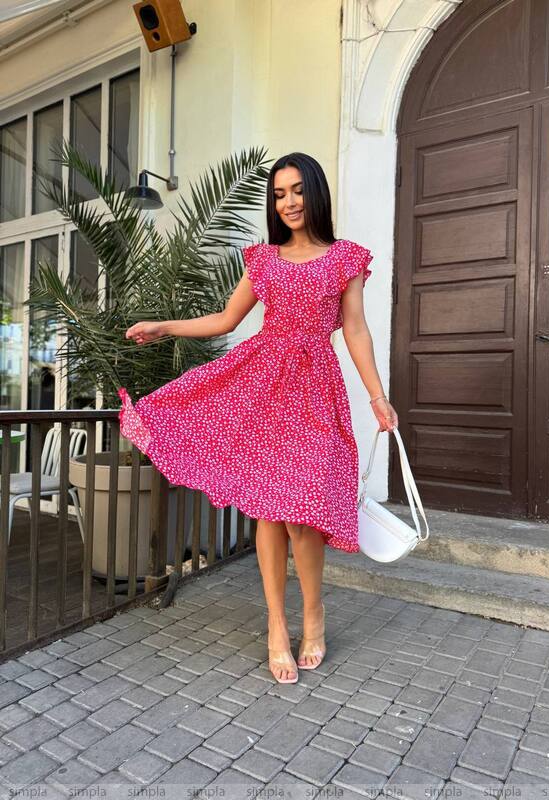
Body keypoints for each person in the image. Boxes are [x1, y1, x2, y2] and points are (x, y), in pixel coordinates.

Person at [118, 152, 399, 684]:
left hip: (315, 392)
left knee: (304, 510)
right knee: (270, 511)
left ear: (315, 192)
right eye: (279, 194)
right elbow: (226, 319)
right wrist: (165, 326)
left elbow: (356, 330)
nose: (288, 202)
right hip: (261, 388)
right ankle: (275, 622)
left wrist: (377, 396)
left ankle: (313, 613)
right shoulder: (263, 260)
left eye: (297, 190)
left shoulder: (345, 258)